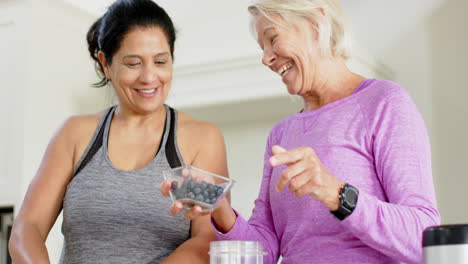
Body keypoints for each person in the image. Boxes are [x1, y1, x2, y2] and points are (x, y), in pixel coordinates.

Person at [162, 0, 440, 263]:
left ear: (316, 23)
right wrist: (220, 208)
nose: (266, 59)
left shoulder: (383, 102)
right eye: (262, 47)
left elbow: (424, 237)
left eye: (272, 39)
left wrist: (337, 194)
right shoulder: (281, 134)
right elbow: (265, 253)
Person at [8, 0, 228, 263]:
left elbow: (206, 238)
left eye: (160, 61)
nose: (149, 77)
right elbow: (27, 228)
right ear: (105, 63)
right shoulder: (75, 134)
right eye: (134, 63)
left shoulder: (201, 139)